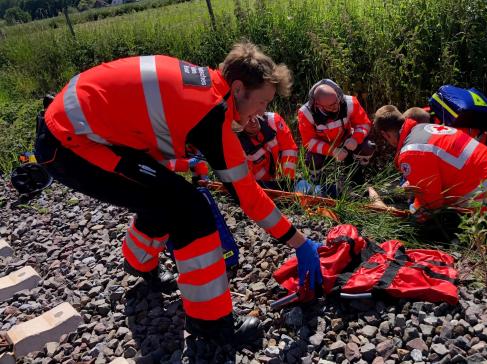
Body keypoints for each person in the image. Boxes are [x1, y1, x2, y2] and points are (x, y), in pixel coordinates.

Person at [34, 42, 323, 346]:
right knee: (189, 208)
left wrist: (186, 163)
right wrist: (298, 242)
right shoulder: (211, 113)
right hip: (71, 144)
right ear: (238, 89)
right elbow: (247, 195)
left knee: (161, 197)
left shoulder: (201, 85)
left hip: (76, 128)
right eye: (263, 102)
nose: (262, 113)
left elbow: (146, 133)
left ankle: (139, 263)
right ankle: (211, 323)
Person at [374, 105, 487, 239]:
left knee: (439, 224)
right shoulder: (424, 128)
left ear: (385, 134)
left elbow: (432, 202)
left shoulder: (411, 152)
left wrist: (411, 214)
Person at [297, 79, 375, 187]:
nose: (336, 107)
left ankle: (357, 178)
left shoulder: (350, 102)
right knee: (312, 160)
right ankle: (318, 185)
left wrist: (355, 138)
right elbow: (309, 142)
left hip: (347, 142)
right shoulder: (306, 113)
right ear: (318, 105)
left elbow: (364, 124)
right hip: (326, 148)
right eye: (331, 106)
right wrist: (332, 151)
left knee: (367, 146)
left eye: (337, 101)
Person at [237, 111, 298, 190]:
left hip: (284, 178)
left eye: (252, 114)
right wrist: (272, 187)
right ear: (238, 124)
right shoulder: (239, 146)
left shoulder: (273, 120)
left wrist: (288, 181)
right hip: (263, 186)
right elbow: (249, 178)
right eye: (247, 119)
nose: (252, 120)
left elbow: (289, 148)